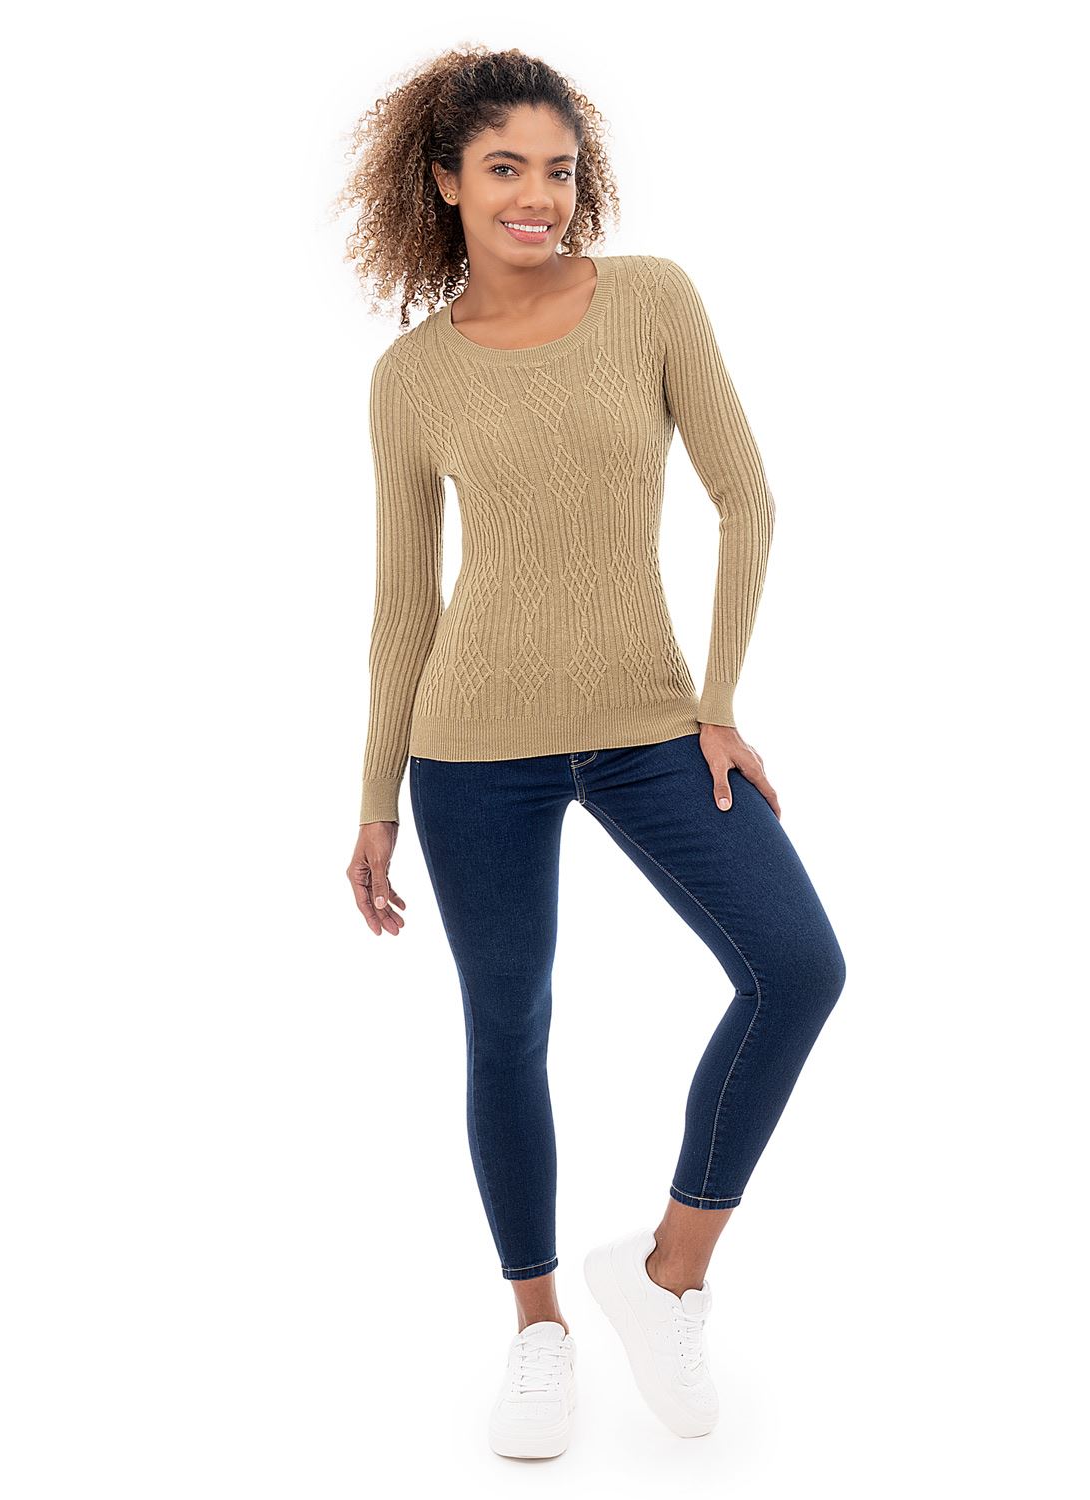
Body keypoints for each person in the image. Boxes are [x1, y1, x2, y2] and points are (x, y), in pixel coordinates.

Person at [338, 46, 846, 1458]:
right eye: (504, 168)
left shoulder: (652, 301)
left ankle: (669, 1270)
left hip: (651, 727)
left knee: (798, 968)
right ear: (444, 181)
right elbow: (403, 603)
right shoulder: (410, 377)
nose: (538, 197)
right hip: (469, 751)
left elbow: (748, 502)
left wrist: (718, 701)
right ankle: (538, 1330)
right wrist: (376, 796)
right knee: (507, 1026)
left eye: (558, 170)